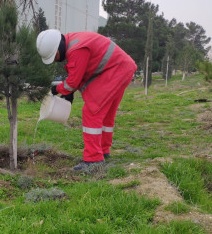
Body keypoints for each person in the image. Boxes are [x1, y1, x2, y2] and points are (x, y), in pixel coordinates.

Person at [36, 29, 137, 171]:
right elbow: (82, 73)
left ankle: (93, 159)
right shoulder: (74, 41)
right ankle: (103, 150)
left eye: (54, 56)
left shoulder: (77, 49)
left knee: (91, 112)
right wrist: (69, 92)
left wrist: (57, 89)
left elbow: (73, 82)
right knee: (106, 114)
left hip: (116, 70)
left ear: (58, 47)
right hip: (122, 68)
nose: (55, 60)